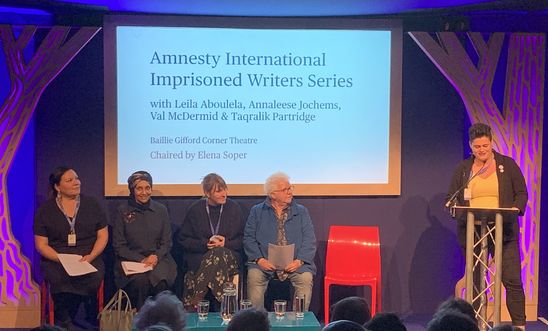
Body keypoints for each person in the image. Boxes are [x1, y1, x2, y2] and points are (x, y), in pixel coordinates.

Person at [446, 123, 527, 329]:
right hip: (473, 231)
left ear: (491, 143)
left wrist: (516, 209)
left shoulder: (507, 165)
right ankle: (474, 324)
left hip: (504, 231)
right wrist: (454, 208)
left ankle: (519, 326)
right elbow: (451, 198)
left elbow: (521, 194)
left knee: (512, 280)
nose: (482, 150)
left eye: (485, 145)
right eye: (477, 147)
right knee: (475, 282)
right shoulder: (464, 170)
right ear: (471, 147)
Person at [34, 167, 108, 330]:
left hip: (88, 256)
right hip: (57, 258)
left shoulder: (92, 205)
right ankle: (64, 319)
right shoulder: (45, 211)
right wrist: (61, 258)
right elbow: (41, 245)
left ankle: (77, 319)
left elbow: (103, 235)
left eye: (77, 178)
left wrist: (92, 255)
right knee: (59, 277)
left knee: (91, 276)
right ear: (57, 187)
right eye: (69, 180)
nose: (76, 182)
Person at [244, 172, 316, 310]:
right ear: (272, 194)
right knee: (254, 277)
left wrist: (299, 261)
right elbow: (249, 238)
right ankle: (256, 320)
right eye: (285, 189)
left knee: (305, 278)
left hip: (295, 264)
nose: (290, 192)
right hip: (264, 263)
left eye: (290, 188)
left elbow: (309, 239)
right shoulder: (257, 211)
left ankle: (298, 322)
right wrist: (260, 260)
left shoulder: (301, 212)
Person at [177, 173, 245, 308]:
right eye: (219, 191)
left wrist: (226, 243)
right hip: (200, 255)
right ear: (207, 193)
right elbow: (183, 240)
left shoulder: (234, 208)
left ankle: (196, 299)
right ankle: (225, 305)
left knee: (219, 252)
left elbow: (244, 240)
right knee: (215, 255)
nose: (224, 194)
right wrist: (205, 244)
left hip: (230, 256)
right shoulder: (195, 209)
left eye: (225, 189)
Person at [113, 171, 177, 309]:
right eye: (139, 188)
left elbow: (167, 242)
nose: (144, 192)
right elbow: (119, 246)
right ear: (132, 190)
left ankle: (162, 321)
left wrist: (155, 257)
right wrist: (141, 260)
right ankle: (141, 322)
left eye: (147, 188)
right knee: (140, 282)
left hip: (158, 259)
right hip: (132, 261)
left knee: (161, 282)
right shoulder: (122, 211)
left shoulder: (161, 210)